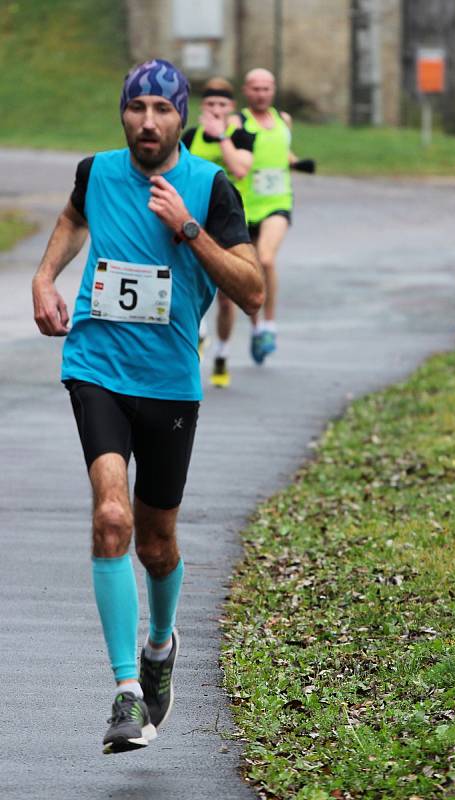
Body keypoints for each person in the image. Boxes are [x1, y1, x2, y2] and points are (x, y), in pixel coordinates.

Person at [31, 59, 264, 755]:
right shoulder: (96, 170)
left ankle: (161, 646)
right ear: (123, 113)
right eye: (136, 108)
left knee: (157, 543)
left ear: (181, 117)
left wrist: (190, 229)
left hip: (168, 384)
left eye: (162, 109)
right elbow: (75, 216)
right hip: (95, 365)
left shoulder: (209, 187)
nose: (147, 122)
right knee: (112, 518)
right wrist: (45, 277)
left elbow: (250, 290)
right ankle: (127, 691)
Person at [230, 68, 315, 365]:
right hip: (245, 204)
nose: (261, 94)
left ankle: (270, 325)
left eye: (266, 88)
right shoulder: (236, 121)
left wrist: (299, 163)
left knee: (266, 258)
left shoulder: (284, 120)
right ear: (246, 90)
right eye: (256, 88)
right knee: (252, 268)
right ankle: (256, 331)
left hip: (278, 202)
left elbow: (283, 151)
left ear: (274, 90)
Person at [182, 77, 255, 387]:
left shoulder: (241, 136)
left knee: (226, 300)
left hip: (229, 228)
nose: (215, 110)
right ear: (202, 107)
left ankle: (223, 354)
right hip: (193, 224)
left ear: (231, 109)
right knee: (189, 287)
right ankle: (198, 335)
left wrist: (221, 137)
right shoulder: (190, 137)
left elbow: (239, 169)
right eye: (210, 104)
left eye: (221, 105)